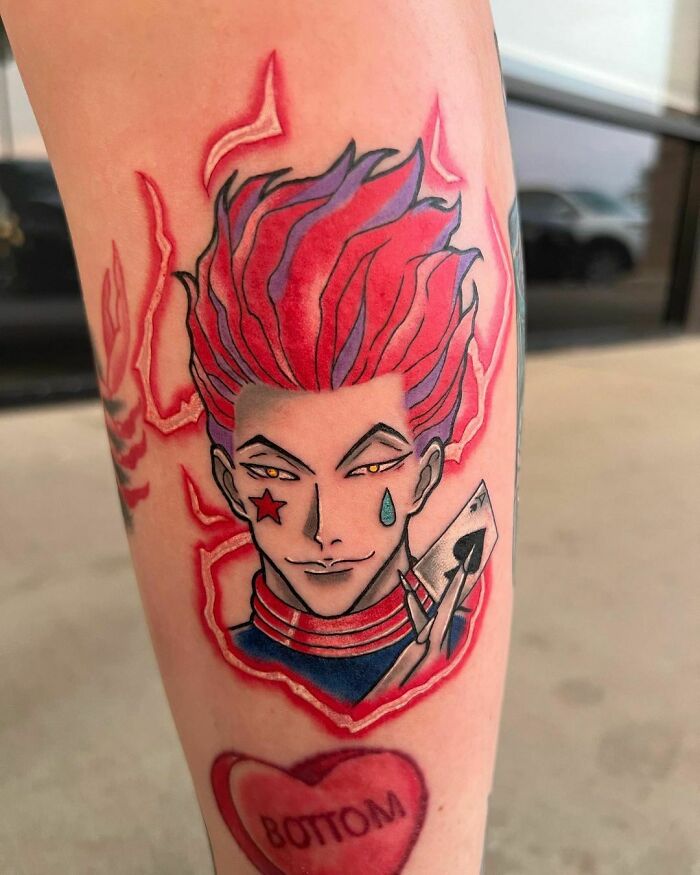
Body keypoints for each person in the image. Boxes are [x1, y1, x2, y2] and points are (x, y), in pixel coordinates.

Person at [3, 2, 521, 872]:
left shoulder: (443, 621)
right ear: (227, 474)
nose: (322, 527)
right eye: (277, 472)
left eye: (368, 466)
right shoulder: (255, 646)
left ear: (429, 468)